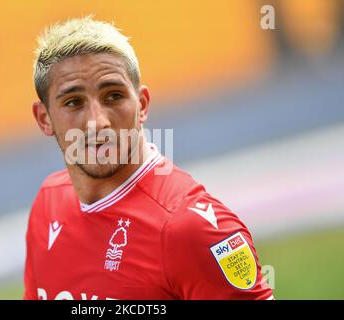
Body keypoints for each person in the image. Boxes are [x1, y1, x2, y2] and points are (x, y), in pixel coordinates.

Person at [24, 16, 274, 300]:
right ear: (44, 119)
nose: (97, 122)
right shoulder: (48, 203)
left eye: (113, 96)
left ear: (141, 105)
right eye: (73, 102)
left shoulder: (191, 229)